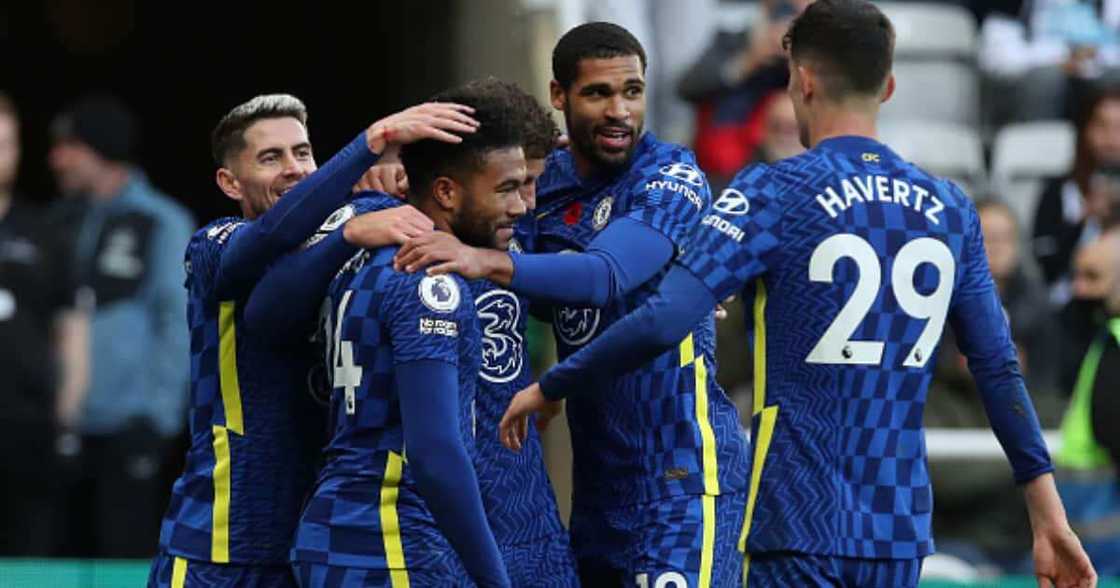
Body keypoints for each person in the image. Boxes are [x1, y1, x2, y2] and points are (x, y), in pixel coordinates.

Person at [501, 2, 1098, 586]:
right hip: (897, 532)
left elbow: (663, 319)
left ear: (804, 80)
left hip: (796, 521)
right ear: (888, 86)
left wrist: (553, 382)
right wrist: (1047, 512)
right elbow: (997, 368)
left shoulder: (775, 191)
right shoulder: (949, 207)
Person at [395, 22, 750, 587]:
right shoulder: (541, 182)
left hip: (680, 480)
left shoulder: (670, 175)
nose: (619, 111)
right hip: (597, 490)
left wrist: (481, 260)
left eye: (632, 91)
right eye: (597, 93)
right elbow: (527, 281)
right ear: (559, 96)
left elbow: (602, 276)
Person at [148, 94, 470, 587]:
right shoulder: (214, 244)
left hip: (311, 542)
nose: (295, 170)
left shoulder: (345, 235)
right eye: (271, 158)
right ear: (229, 182)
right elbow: (268, 242)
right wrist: (368, 149)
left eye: (303, 153)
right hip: (221, 540)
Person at [288, 82, 525, 587]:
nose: (521, 206)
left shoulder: (359, 258)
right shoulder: (426, 280)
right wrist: (495, 580)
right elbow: (435, 452)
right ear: (445, 192)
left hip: (337, 534)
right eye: (505, 189)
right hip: (389, 540)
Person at [47, 93, 194, 558]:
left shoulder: (162, 221)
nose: (56, 159)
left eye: (68, 145)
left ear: (99, 149)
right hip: (61, 427)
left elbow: (180, 322)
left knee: (123, 556)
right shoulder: (58, 221)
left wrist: (158, 416)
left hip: (129, 425)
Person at [0, 92, 89, 556]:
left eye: (4, 144)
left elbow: (72, 329)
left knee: (31, 556)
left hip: (29, 427)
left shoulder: (45, 232)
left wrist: (67, 417)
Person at [1033, 86, 1120, 303]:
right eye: (1102, 126)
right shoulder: (1059, 190)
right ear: (1085, 131)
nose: (1111, 138)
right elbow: (1046, 264)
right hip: (1069, 309)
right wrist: (1084, 218)